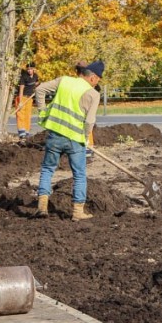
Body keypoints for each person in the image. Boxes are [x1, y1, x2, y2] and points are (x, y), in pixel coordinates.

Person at [32, 60, 104, 221]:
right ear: (92, 77)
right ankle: (78, 212)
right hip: (75, 140)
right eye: (98, 79)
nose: (97, 83)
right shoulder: (93, 94)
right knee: (79, 174)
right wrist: (85, 138)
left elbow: (40, 89)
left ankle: (42, 207)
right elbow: (89, 121)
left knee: (47, 169)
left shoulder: (64, 81)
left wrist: (43, 112)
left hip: (54, 135)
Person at [15, 63, 40, 138]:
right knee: (20, 115)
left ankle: (26, 131)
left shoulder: (35, 76)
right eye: (28, 69)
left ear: (34, 69)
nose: (29, 71)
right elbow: (21, 89)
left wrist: (38, 86)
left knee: (28, 115)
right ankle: (21, 133)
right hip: (22, 97)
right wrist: (20, 102)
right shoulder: (24, 77)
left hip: (29, 98)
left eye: (31, 69)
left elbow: (36, 83)